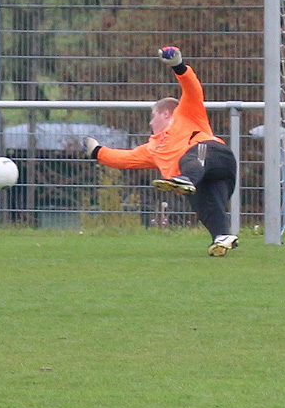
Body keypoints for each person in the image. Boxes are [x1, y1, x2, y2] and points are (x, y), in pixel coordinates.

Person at [83, 46, 240, 256]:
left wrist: (178, 65)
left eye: (153, 116)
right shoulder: (152, 149)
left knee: (193, 156)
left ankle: (186, 179)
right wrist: (96, 151)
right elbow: (125, 158)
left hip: (214, 156)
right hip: (202, 180)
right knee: (207, 207)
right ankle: (222, 237)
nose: (150, 122)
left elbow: (193, 88)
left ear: (166, 113)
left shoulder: (187, 113)